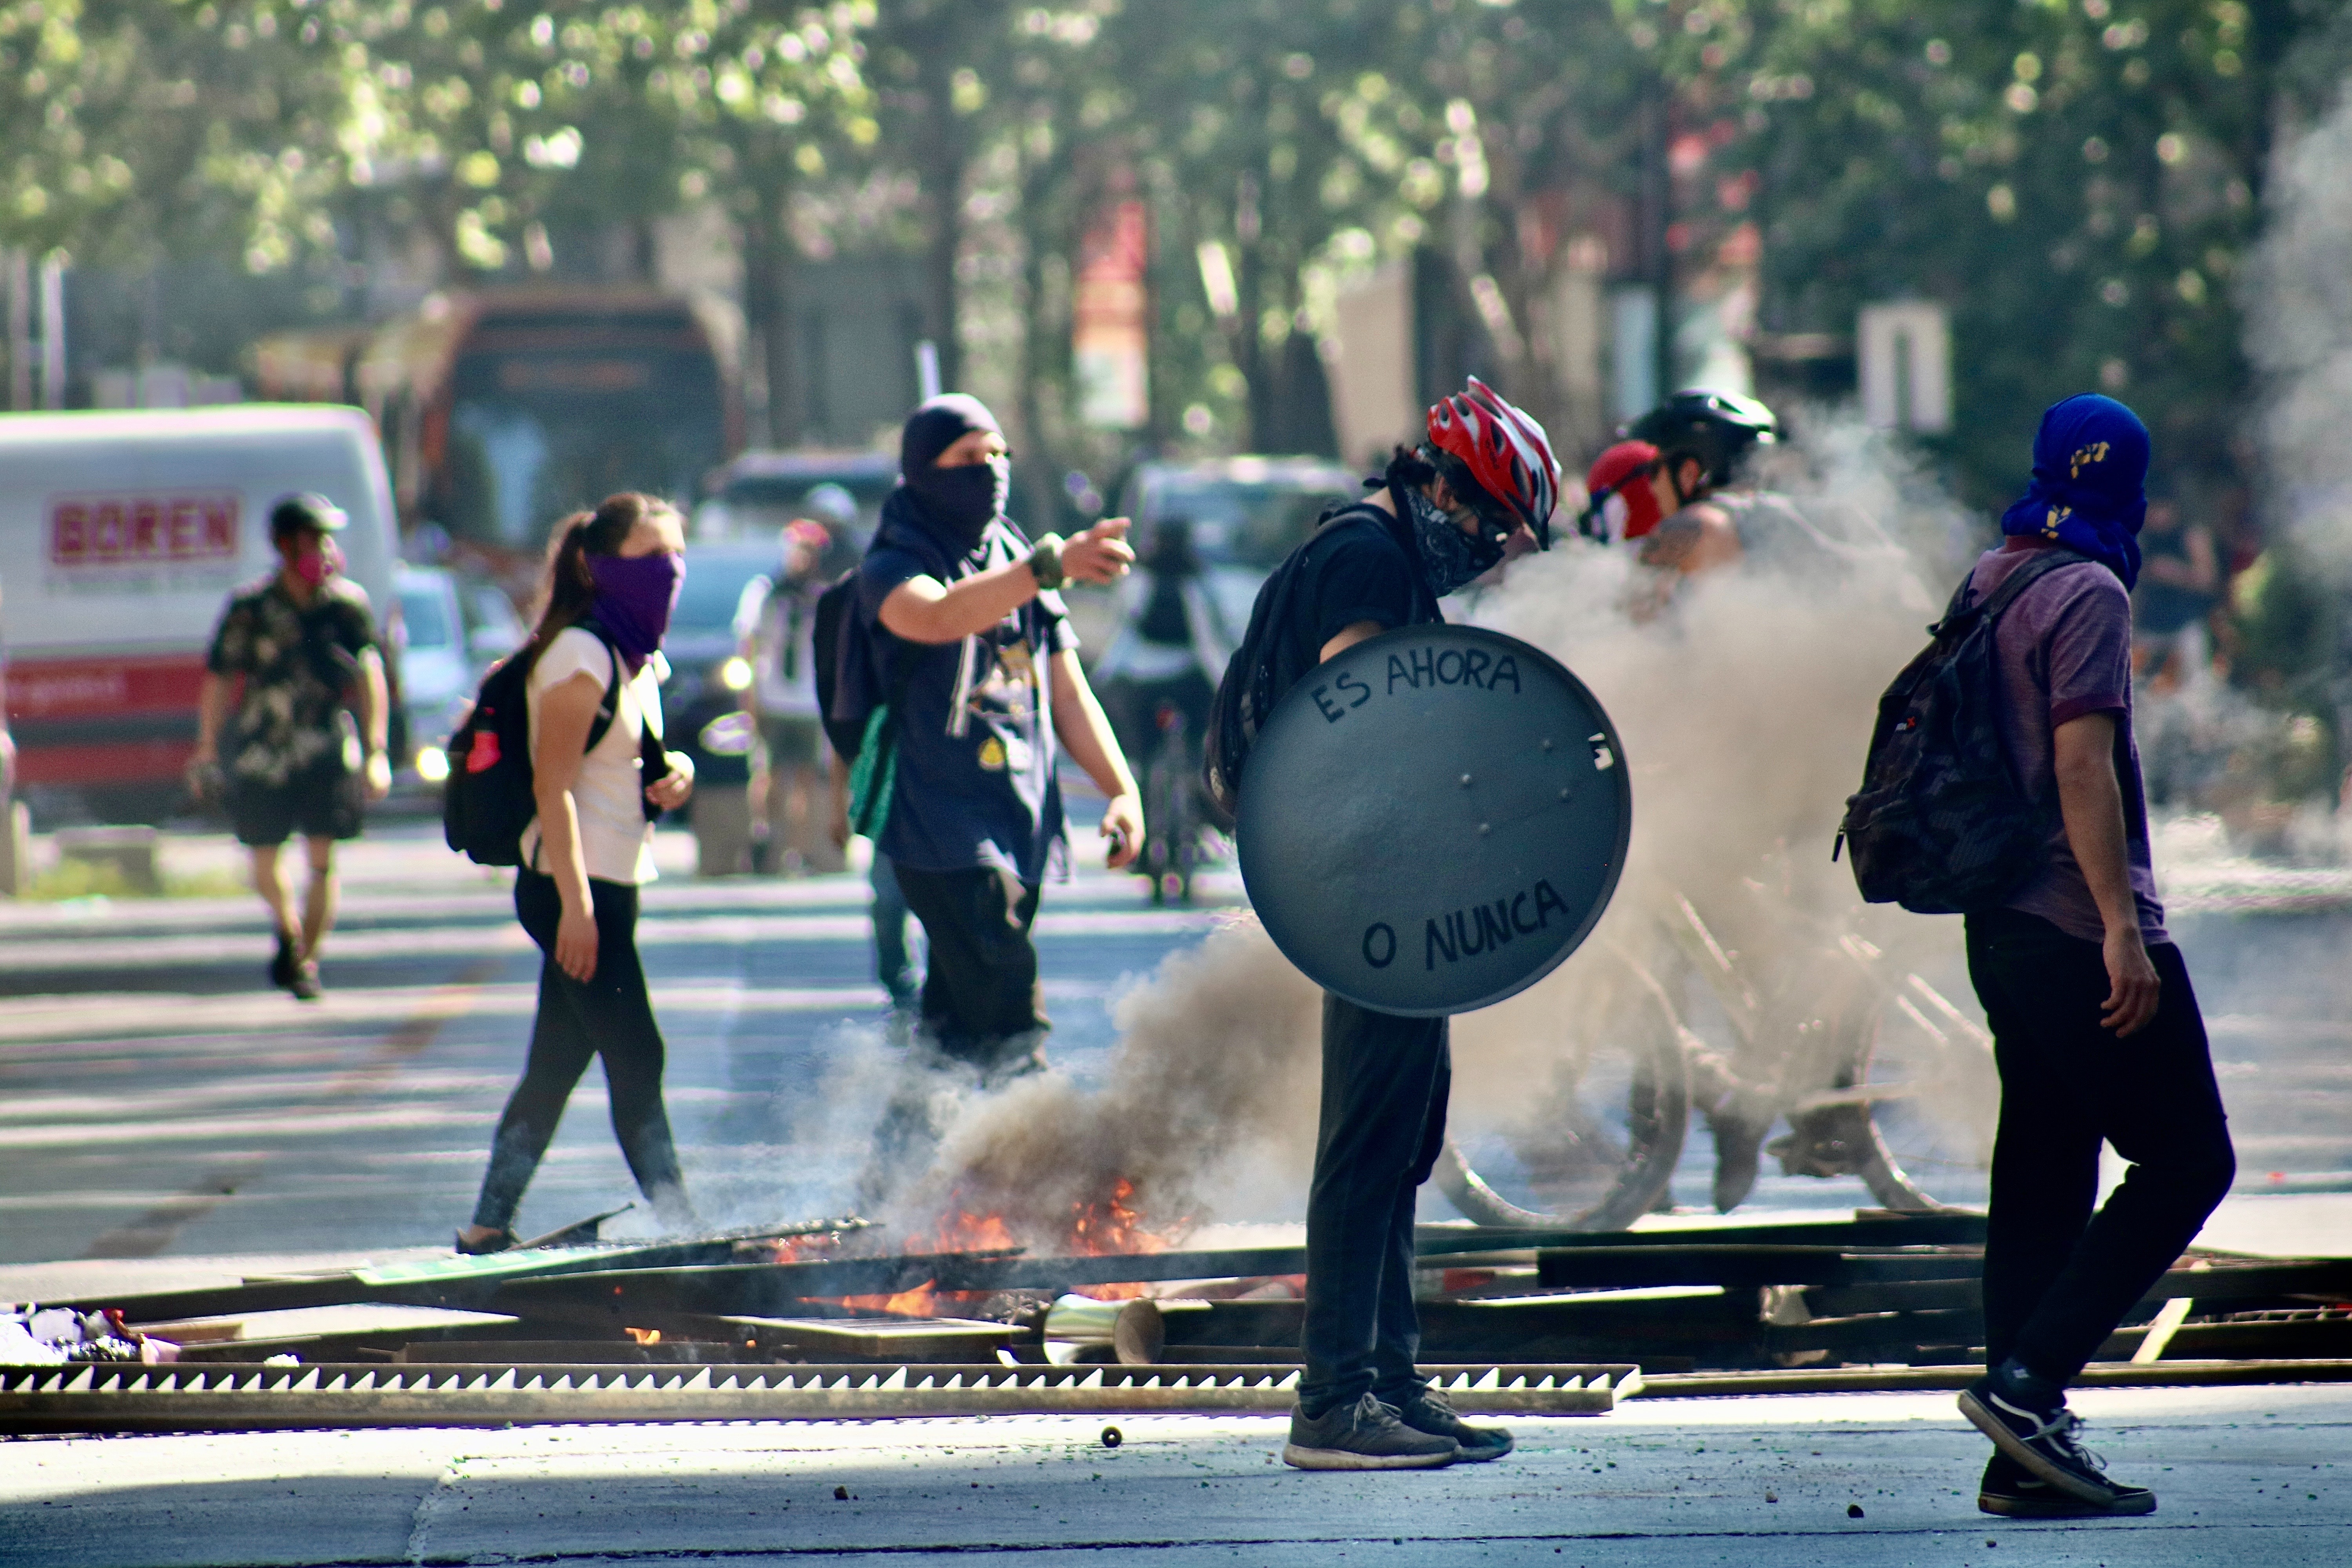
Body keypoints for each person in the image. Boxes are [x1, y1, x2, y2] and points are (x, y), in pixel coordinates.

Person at [1220, 377, 1559, 1471]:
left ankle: (1392, 1385)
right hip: (1367, 888)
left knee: (1403, 1132)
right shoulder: (1367, 557)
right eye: (1499, 521)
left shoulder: (1385, 549)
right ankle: (1331, 1402)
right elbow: (1356, 727)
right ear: (1449, 486)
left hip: (1388, 885)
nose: (1502, 548)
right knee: (1368, 1140)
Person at [1951, 394, 2235, 1517]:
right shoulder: (2093, 592)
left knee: (2044, 1168)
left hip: (2001, 925)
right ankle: (2028, 1391)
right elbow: (2082, 766)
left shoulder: (1994, 577)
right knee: (2189, 1159)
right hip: (2076, 925)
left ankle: (2019, 1461)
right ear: (2136, 490)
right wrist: (2124, 928)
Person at [845, 393, 1143, 1080]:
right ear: (924, 470)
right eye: (969, 459)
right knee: (1011, 1009)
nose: (991, 471)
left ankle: (896, 1180)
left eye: (999, 455)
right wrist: (1047, 568)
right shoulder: (892, 562)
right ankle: (1049, 1166)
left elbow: (1067, 692)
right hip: (937, 827)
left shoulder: (1014, 553)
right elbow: (940, 616)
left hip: (1020, 817)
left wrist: (1121, 790)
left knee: (950, 1034)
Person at [457, 493, 701, 1254]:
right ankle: (684, 1223)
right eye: (652, 554)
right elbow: (551, 786)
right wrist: (575, 905)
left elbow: (625, 760)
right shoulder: (579, 655)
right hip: (571, 885)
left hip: (606, 883)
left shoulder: (634, 656)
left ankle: (488, 1223)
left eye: (677, 553)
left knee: (555, 1063)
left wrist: (678, 773)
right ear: (602, 566)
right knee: (638, 1051)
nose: (671, 569)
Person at [190, 493, 392, 1002]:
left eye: (328, 539)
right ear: (284, 545)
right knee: (264, 857)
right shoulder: (250, 609)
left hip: (325, 748)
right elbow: (220, 679)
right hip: (264, 748)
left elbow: (371, 676)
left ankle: (307, 961)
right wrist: (208, 746)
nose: (324, 550)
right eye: (313, 539)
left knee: (323, 861)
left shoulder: (347, 607)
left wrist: (376, 750)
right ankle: (288, 930)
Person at [739, 517, 844, 875]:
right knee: (768, 772)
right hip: (772, 694)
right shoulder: (766, 591)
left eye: (812, 553)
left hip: (808, 699)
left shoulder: (823, 595)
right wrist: (749, 695)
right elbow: (749, 643)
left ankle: (800, 850)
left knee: (806, 777)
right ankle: (766, 837)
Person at [2131, 491, 2220, 690]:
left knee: (2197, 692)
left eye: (2161, 509)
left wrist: (2178, 574)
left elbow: (2210, 582)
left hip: (2187, 626)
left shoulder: (2191, 535)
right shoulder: (2140, 538)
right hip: (2148, 628)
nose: (2156, 516)